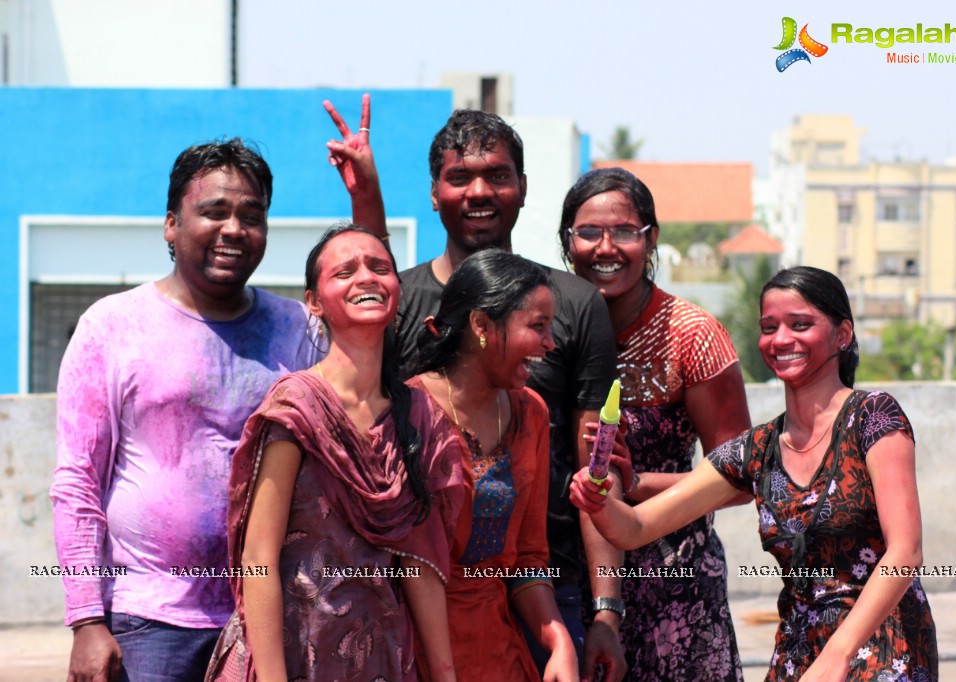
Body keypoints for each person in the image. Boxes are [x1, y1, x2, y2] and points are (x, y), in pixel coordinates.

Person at [325, 101, 625, 680]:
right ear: (434, 193)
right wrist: (366, 200)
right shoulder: (397, 303)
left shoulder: (573, 306)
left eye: (497, 174)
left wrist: (604, 612)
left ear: (523, 188)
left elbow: (596, 468)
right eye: (460, 177)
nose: (479, 191)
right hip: (407, 597)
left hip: (542, 588)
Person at [571, 266, 939, 681]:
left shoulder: (874, 417)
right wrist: (600, 500)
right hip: (800, 652)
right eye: (769, 327)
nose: (781, 339)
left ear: (843, 335)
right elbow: (635, 528)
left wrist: (838, 658)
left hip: (884, 645)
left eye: (801, 325)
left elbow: (905, 553)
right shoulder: (758, 448)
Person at [51, 138, 322, 681]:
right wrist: (86, 619)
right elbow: (78, 480)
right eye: (214, 211)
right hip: (148, 623)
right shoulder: (112, 326)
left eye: (252, 215)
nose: (234, 229)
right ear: (172, 224)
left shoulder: (298, 331)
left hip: (267, 619)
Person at [205, 224, 464, 681]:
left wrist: (445, 674)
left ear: (396, 292)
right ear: (314, 301)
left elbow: (418, 566)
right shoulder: (296, 406)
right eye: (345, 271)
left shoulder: (418, 415)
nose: (365, 277)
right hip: (291, 651)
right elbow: (258, 558)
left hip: (379, 656)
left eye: (380, 267)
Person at [558, 167, 750, 680]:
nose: (606, 248)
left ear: (651, 239)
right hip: (567, 583)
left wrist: (639, 484)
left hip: (675, 585)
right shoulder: (547, 330)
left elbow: (742, 478)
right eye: (588, 232)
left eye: (623, 232)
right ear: (566, 241)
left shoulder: (693, 336)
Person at [405, 248, 577, 681]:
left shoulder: (530, 413)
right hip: (414, 648)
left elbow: (529, 557)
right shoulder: (407, 412)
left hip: (497, 650)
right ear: (481, 325)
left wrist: (557, 639)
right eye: (537, 327)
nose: (550, 343)